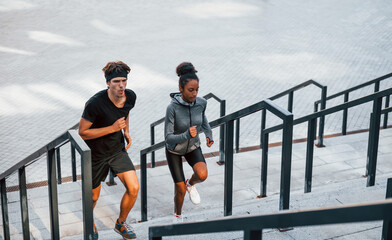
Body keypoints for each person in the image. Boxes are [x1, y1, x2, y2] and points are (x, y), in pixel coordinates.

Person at [78, 61, 138, 239]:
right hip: (96, 155)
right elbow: (82, 132)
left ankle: (120, 223)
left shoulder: (131, 96)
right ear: (107, 83)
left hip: (117, 150)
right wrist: (112, 128)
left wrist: (125, 130)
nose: (121, 86)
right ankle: (90, 223)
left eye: (124, 81)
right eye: (116, 82)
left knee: (134, 188)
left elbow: (125, 113)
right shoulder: (95, 104)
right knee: (94, 198)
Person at [164, 62, 214, 222]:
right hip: (174, 149)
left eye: (197, 90)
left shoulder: (201, 103)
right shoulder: (172, 108)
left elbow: (203, 117)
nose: (194, 94)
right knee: (180, 190)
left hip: (193, 146)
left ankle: (190, 183)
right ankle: (177, 215)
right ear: (181, 88)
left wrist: (208, 133)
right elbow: (168, 137)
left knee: (202, 174)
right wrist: (186, 134)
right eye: (190, 90)